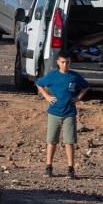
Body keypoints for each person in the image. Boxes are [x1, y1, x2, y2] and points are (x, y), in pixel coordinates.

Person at [36, 50, 89, 180]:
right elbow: (39, 83)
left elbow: (85, 86)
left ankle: (71, 168)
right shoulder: (52, 75)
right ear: (58, 62)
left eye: (68, 62)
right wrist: (47, 96)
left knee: (69, 142)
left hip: (69, 113)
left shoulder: (74, 76)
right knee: (51, 141)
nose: (65, 65)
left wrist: (78, 98)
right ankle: (48, 166)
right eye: (63, 62)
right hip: (54, 113)